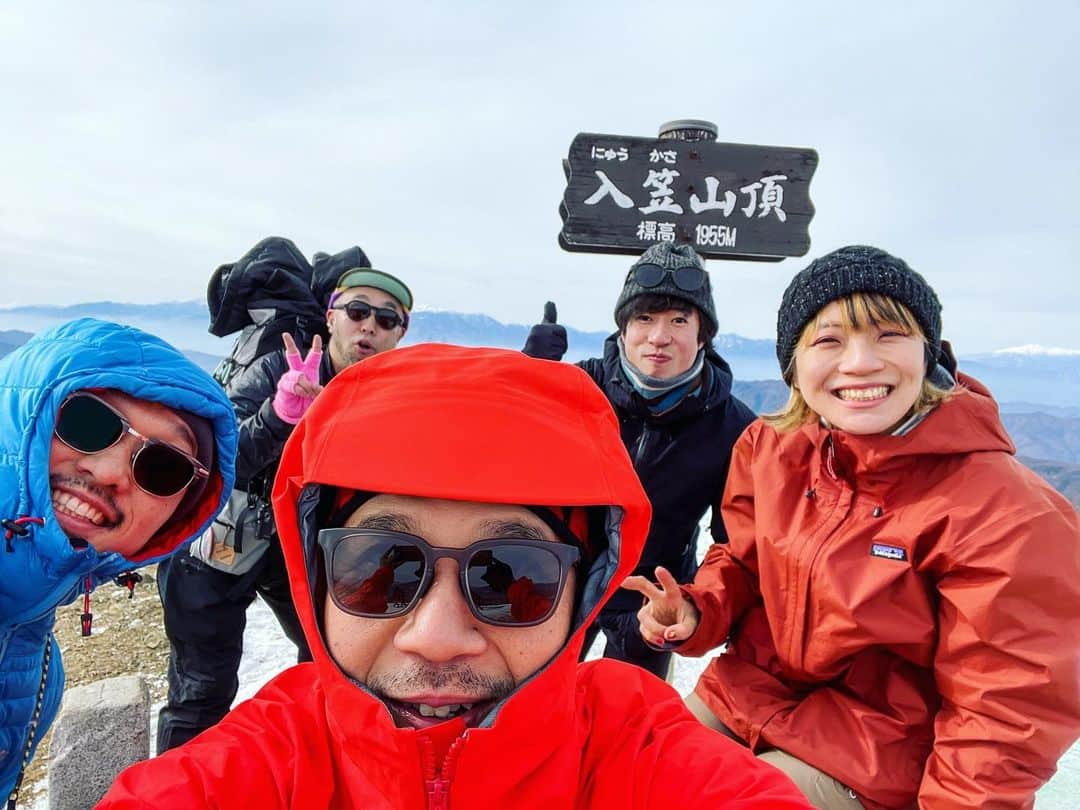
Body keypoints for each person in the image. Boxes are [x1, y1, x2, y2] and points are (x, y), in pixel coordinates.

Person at [97, 343, 811, 809]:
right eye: (380, 569)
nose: (437, 638)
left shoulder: (628, 737)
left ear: (586, 589)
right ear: (316, 575)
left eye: (511, 577)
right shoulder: (281, 746)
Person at [628, 245, 1080, 809]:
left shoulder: (1004, 513)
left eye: (889, 335)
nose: (861, 362)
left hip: (880, 748)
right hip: (751, 695)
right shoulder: (772, 449)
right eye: (828, 340)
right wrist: (697, 609)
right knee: (627, 775)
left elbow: (1004, 713)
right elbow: (742, 560)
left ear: (931, 353)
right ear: (794, 365)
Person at [155, 264, 414, 752]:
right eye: (358, 311)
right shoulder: (278, 367)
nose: (370, 327)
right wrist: (278, 417)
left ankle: (310, 777)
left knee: (331, 665)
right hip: (219, 540)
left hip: (293, 544)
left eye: (386, 319)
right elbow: (212, 461)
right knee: (200, 693)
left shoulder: (381, 394)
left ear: (399, 335)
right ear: (331, 316)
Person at [0, 318, 237, 805]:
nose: (108, 473)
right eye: (88, 422)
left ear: (175, 521)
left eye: (162, 466)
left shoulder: (29, 621)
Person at [524, 241, 755, 678]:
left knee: (627, 722)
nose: (658, 337)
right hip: (559, 582)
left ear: (703, 333)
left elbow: (736, 544)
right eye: (644, 318)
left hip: (653, 594)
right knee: (532, 708)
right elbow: (503, 466)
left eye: (679, 320)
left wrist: (690, 601)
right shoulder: (575, 389)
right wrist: (522, 383)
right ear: (623, 328)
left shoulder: (733, 427)